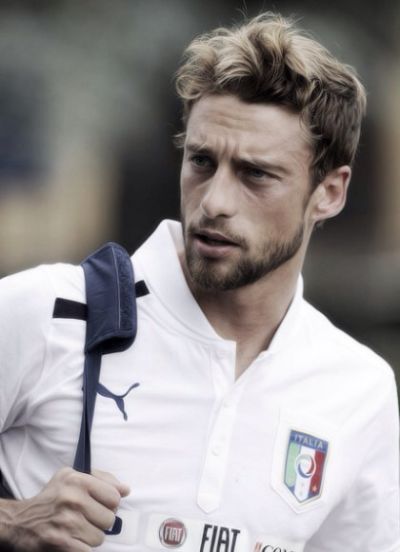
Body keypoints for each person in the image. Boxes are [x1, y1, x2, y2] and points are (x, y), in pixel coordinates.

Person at [0, 11, 399, 552]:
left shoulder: (359, 388)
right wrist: (14, 521)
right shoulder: (46, 311)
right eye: (202, 162)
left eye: (256, 174)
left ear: (329, 192)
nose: (215, 202)